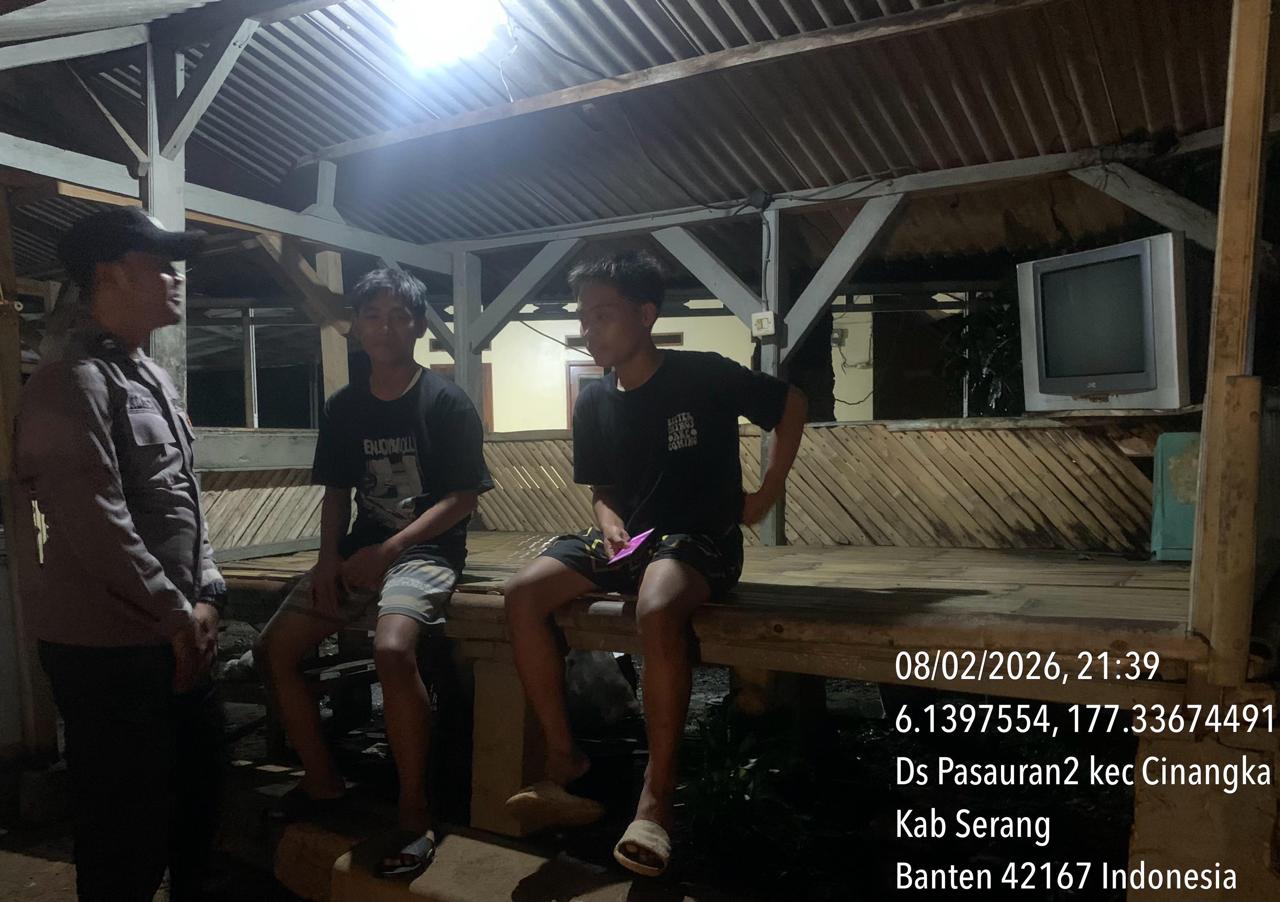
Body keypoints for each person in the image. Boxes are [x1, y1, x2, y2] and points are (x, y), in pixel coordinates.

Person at [503, 250, 807, 877]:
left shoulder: (703, 374)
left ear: (645, 315)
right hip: (632, 539)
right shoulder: (593, 400)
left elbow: (792, 404)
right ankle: (565, 761)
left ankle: (657, 798)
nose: (589, 329)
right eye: (583, 318)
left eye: (603, 315)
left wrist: (767, 492)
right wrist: (608, 520)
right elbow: (602, 488)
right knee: (521, 593)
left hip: (702, 537)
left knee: (658, 603)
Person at [15, 207, 227, 902]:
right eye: (159, 265)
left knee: (199, 807)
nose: (176, 277)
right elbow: (95, 520)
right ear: (107, 276)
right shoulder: (67, 381)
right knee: (123, 832)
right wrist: (176, 613)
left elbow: (184, 498)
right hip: (109, 648)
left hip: (174, 631)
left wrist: (207, 592)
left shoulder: (152, 378)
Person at [255, 267, 492, 880]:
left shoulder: (445, 401)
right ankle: (322, 779)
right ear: (357, 326)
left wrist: (391, 550)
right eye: (372, 316)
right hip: (359, 549)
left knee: (392, 648)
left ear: (417, 327)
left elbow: (463, 498)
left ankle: (415, 809)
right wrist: (327, 558)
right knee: (274, 649)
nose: (384, 328)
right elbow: (337, 491)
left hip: (427, 549)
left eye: (398, 317)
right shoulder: (345, 406)